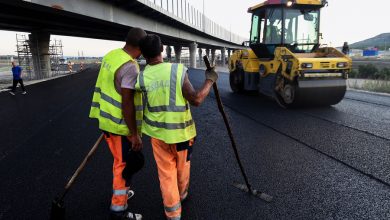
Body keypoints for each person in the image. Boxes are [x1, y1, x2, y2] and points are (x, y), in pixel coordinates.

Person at [136, 34, 218, 220]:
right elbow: (196, 99)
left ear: (143, 54)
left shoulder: (142, 77)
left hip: (158, 136)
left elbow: (133, 100)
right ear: (162, 49)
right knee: (182, 168)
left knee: (166, 174)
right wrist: (210, 80)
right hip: (182, 135)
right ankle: (181, 195)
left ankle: (173, 213)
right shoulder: (177, 70)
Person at [89, 27, 147, 220]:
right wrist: (134, 133)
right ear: (140, 47)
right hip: (120, 126)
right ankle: (118, 208)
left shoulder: (111, 55)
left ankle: (121, 192)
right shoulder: (130, 66)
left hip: (106, 119)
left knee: (119, 161)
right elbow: (127, 102)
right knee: (123, 164)